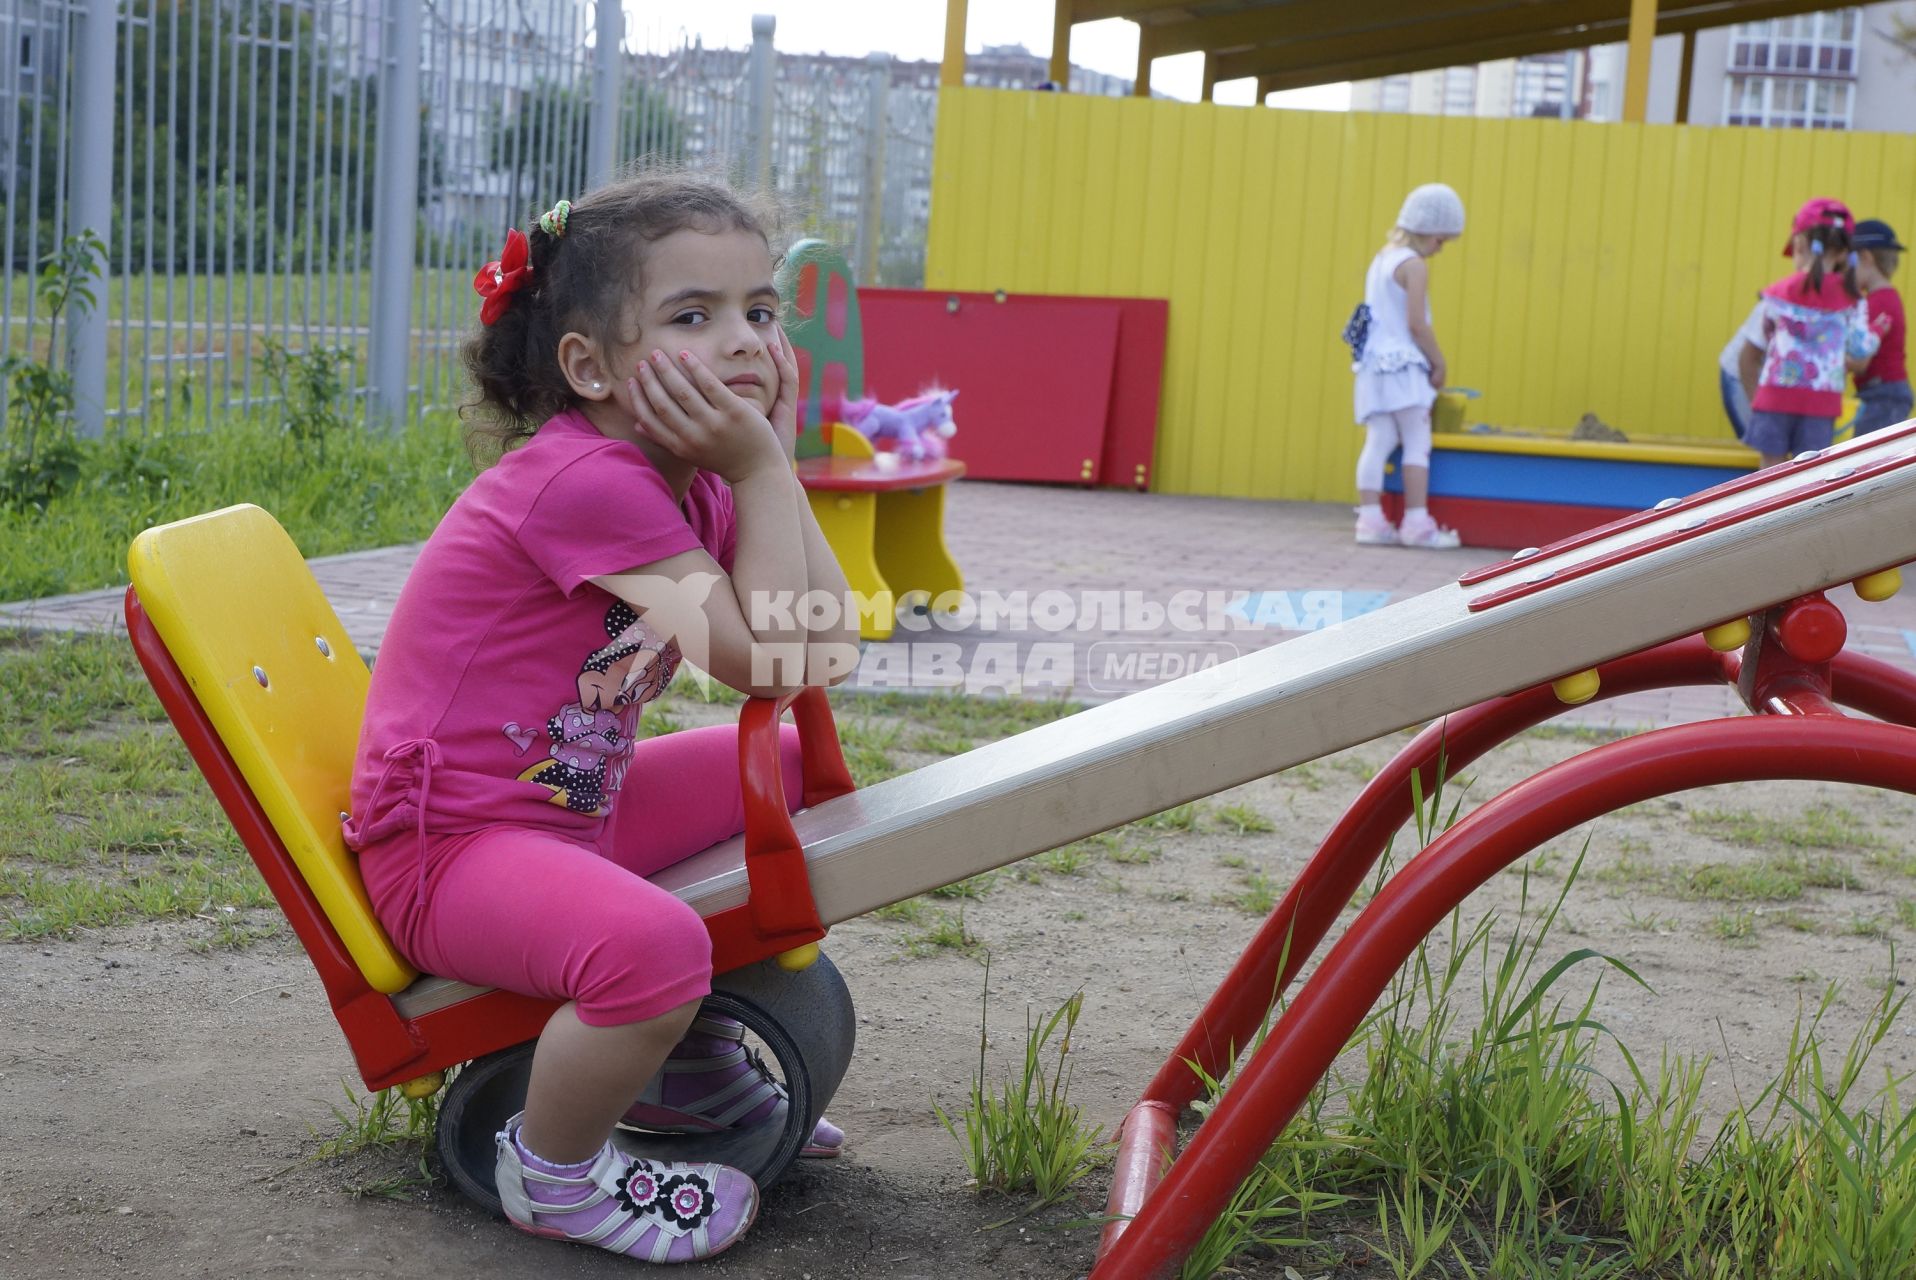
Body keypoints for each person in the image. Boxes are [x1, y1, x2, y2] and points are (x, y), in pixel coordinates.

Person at [343, 172, 861, 1265]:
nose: (743, 343)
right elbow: (754, 655)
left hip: (567, 808)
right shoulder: (582, 483)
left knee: (783, 762)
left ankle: (673, 1069)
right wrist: (764, 461)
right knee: (654, 939)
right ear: (589, 366)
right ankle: (554, 1172)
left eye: (760, 313)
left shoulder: (698, 482)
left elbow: (823, 646)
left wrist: (770, 465)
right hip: (449, 847)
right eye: (692, 316)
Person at [1351, 183, 1465, 550]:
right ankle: (1417, 524)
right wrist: (1439, 361)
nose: (1440, 248)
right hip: (1404, 367)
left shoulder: (1381, 259)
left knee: (1378, 441)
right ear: (1427, 230)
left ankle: (1370, 521)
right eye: (1440, 240)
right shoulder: (1414, 266)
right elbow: (1417, 324)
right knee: (1418, 443)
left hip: (1372, 366)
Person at [1745, 197, 1879, 468]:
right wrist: (1877, 331)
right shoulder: (1852, 301)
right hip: (1821, 403)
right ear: (1844, 252)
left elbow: (1764, 333)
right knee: (1810, 475)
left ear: (1800, 244)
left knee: (1767, 474)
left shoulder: (1778, 294)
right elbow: (1860, 348)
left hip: (1774, 396)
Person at [1849, 218, 1909, 436]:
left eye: (1848, 261)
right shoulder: (1886, 297)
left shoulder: (1877, 302)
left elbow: (1860, 362)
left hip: (1882, 396)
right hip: (1884, 393)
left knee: (1865, 461)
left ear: (1865, 257)